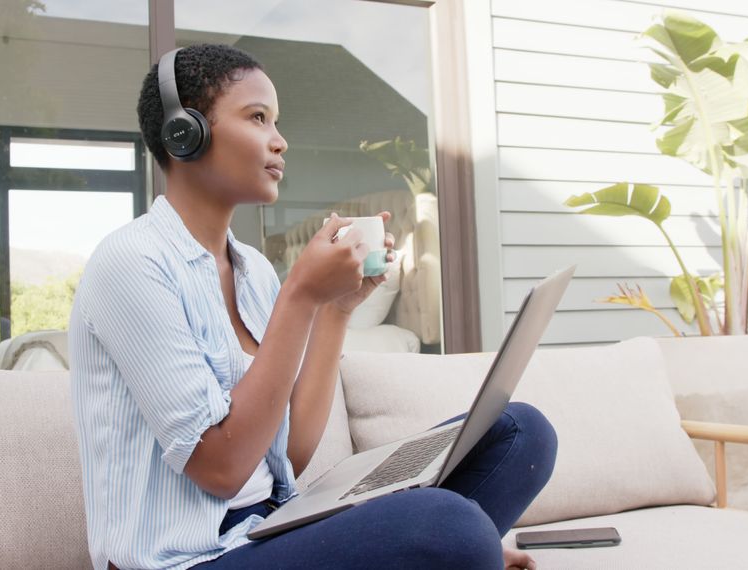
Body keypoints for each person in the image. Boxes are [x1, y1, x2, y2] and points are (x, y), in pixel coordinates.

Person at [69, 44, 557, 570]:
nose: (280, 141)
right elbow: (222, 468)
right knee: (451, 526)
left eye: (276, 122)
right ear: (185, 133)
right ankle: (459, 548)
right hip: (185, 560)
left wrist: (335, 310)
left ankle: (458, 552)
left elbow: (289, 455)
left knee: (520, 432)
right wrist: (301, 294)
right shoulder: (131, 262)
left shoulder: (252, 269)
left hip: (263, 532)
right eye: (258, 118)